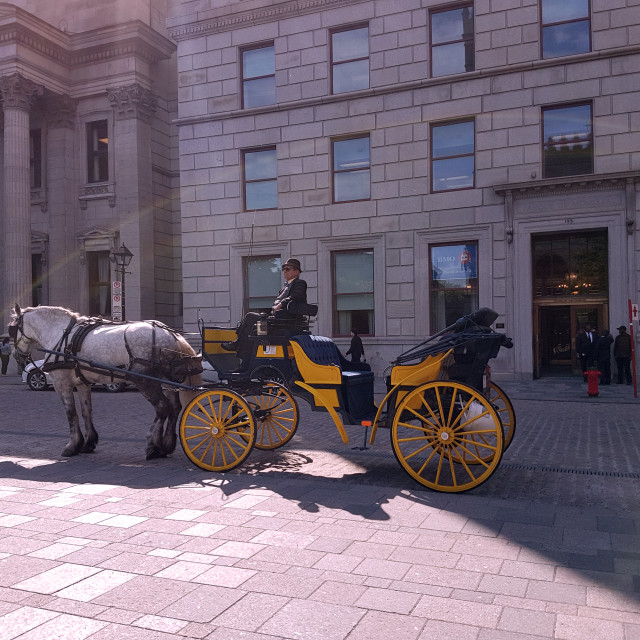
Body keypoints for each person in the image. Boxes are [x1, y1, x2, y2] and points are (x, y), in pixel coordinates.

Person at [222, 258, 307, 364]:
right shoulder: (285, 287)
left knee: (250, 317)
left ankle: (237, 345)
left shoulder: (299, 283)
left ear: (296, 271)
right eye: (283, 269)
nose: (284, 271)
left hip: (282, 323)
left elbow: (297, 295)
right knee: (251, 329)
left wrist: (281, 303)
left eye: (287, 269)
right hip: (277, 320)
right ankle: (245, 363)